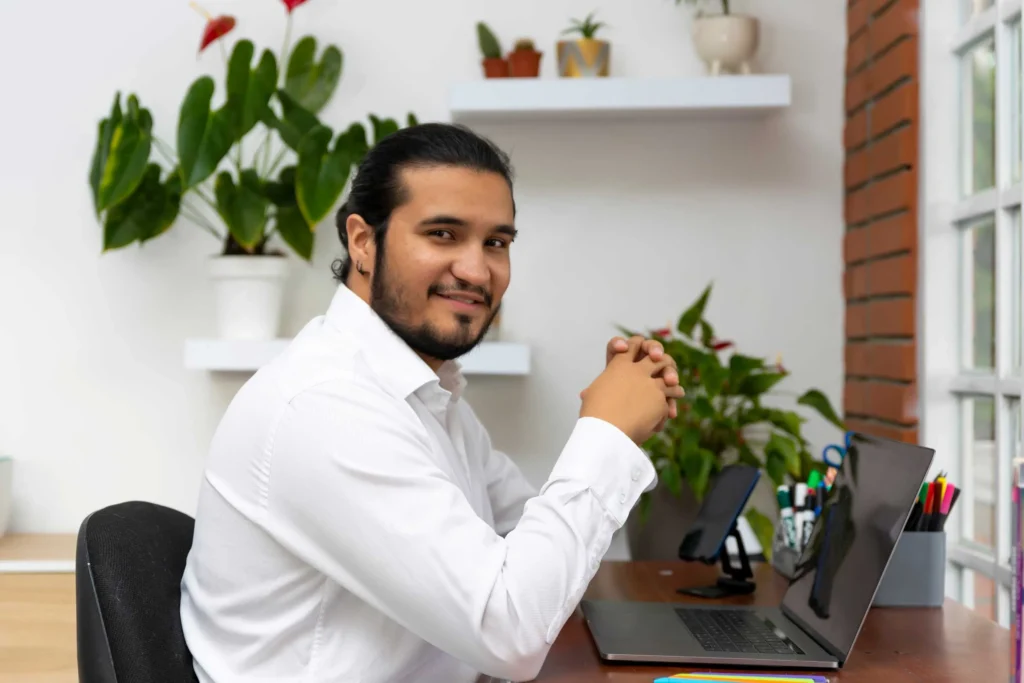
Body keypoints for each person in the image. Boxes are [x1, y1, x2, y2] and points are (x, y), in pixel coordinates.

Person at [180, 122, 683, 683]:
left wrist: (617, 425)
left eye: (496, 242)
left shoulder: (427, 397)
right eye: (443, 234)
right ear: (363, 242)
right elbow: (511, 632)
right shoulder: (326, 407)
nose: (475, 269)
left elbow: (535, 562)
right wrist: (605, 432)